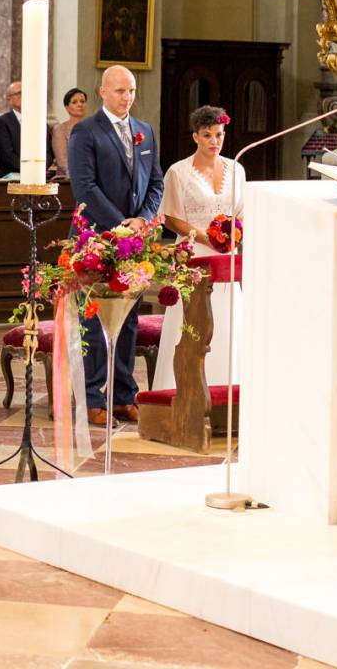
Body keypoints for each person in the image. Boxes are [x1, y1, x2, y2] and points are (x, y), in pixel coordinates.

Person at [66, 65, 163, 426]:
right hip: (96, 240)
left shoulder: (144, 131)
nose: (127, 98)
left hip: (133, 242)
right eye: (120, 91)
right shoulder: (85, 132)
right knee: (93, 320)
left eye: (132, 91)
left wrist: (143, 219)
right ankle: (92, 397)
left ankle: (123, 395)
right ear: (103, 92)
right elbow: (85, 188)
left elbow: (155, 183)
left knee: (129, 320)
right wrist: (120, 225)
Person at [154, 105, 246, 391]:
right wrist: (207, 238)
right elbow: (171, 217)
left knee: (227, 322)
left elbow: (241, 212)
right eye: (207, 135)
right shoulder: (179, 172)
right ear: (195, 137)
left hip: (227, 257)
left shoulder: (237, 168)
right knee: (191, 323)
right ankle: (181, 390)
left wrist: (233, 235)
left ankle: (229, 386)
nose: (214, 141)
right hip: (193, 253)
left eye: (218, 134)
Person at [51, 87, 88, 176]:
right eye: (74, 102)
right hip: (68, 180)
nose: (80, 104)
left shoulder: (93, 127)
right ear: (67, 108)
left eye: (82, 101)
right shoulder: (60, 129)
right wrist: (80, 178)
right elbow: (62, 161)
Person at [0, 80, 23, 177]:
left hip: (38, 173)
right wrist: (28, 168)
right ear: (9, 99)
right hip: (11, 175)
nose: (23, 96)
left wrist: (40, 166)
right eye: (18, 93)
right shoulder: (2, 122)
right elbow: (6, 154)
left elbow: (47, 151)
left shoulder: (38, 121)